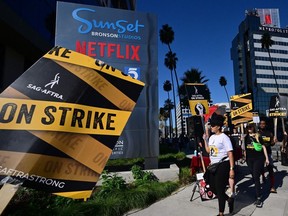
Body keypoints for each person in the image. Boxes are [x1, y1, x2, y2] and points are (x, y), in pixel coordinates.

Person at [202, 114, 235, 216]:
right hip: (213, 165)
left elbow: (230, 153)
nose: (211, 127)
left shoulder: (224, 137)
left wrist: (231, 168)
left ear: (218, 126)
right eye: (210, 125)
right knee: (212, 187)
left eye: (212, 125)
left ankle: (221, 213)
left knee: (220, 188)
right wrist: (205, 140)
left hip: (223, 164)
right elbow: (208, 151)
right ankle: (228, 199)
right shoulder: (211, 137)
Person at [243, 123, 269, 208]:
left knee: (256, 176)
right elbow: (245, 149)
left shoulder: (258, 135)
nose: (249, 129)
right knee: (254, 177)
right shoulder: (246, 137)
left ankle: (259, 197)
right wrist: (244, 157)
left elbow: (263, 147)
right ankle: (258, 191)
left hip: (258, 158)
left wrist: (267, 159)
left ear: (253, 128)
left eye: (250, 127)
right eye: (247, 128)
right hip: (249, 160)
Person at [258, 118, 277, 193]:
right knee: (260, 168)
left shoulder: (269, 133)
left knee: (270, 169)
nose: (262, 125)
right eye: (261, 123)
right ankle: (263, 177)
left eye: (263, 124)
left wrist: (274, 141)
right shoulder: (257, 133)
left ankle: (272, 186)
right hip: (259, 154)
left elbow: (272, 144)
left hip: (268, 153)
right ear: (259, 125)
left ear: (265, 125)